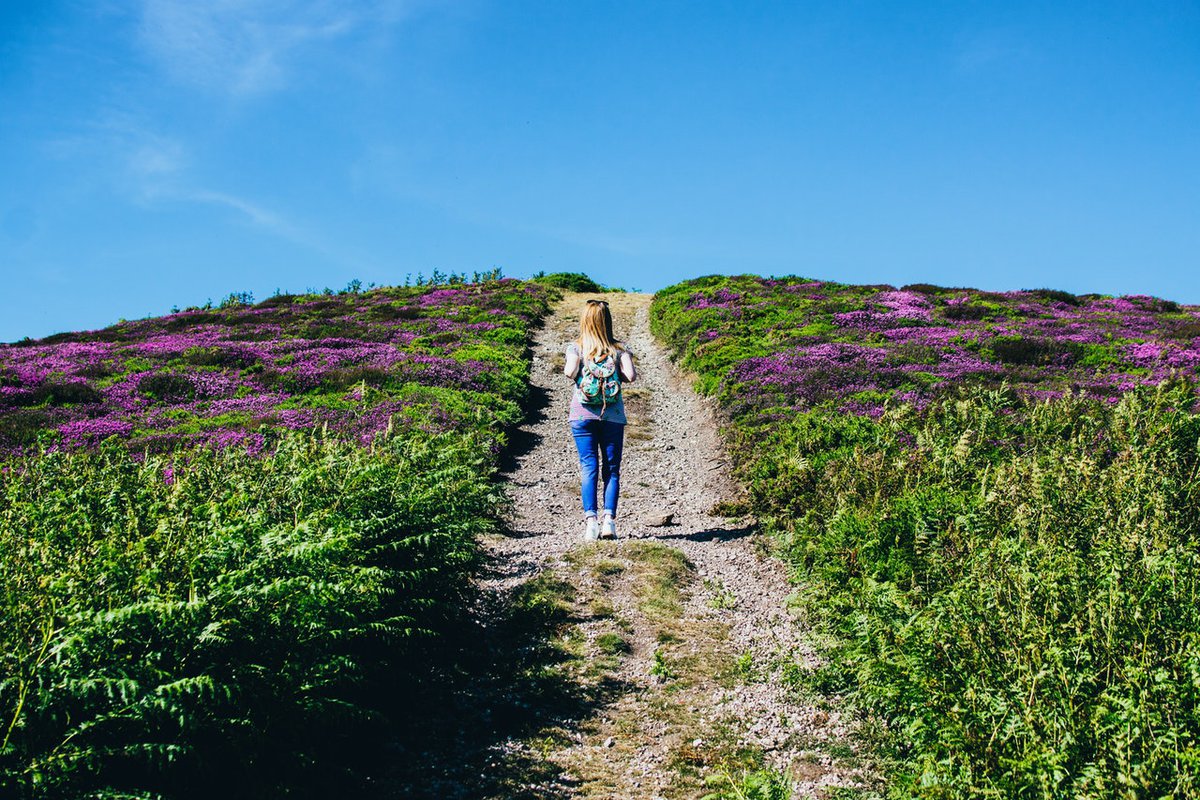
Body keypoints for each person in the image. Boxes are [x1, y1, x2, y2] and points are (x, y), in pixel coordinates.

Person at [563, 299, 637, 541]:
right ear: (607, 321)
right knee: (612, 469)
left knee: (589, 466)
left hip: (582, 415)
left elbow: (569, 372)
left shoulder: (576, 347)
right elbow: (631, 376)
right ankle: (609, 522)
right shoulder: (619, 349)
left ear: (585, 321)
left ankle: (590, 523)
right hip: (613, 416)